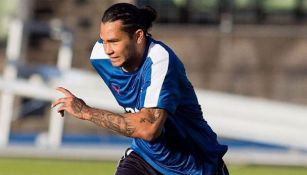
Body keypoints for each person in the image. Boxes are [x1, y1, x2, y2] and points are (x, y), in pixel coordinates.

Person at [52, 3, 228, 175]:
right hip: (145, 160)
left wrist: (86, 112)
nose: (107, 50)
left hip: (196, 167)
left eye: (114, 42)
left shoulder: (160, 60)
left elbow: (149, 129)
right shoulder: (100, 57)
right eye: (104, 41)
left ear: (138, 36)